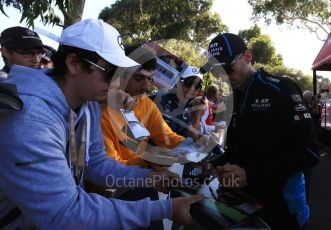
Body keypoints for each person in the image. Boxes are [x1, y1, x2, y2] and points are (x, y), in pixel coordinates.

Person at [0, 19, 202, 229]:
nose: (118, 82)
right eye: (110, 72)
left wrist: (149, 178)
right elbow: (66, 213)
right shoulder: (31, 119)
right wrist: (164, 209)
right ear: (74, 64)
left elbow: (96, 164)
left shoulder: (88, 104)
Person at [203, 33, 319, 229]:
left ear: (247, 57)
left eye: (227, 68)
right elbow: (238, 148)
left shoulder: (282, 89)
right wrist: (215, 163)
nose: (223, 77)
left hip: (284, 208)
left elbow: (309, 152)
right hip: (246, 203)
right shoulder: (235, 97)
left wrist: (251, 174)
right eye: (217, 72)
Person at [101, 45, 185, 167]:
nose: (146, 86)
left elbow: (168, 137)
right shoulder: (102, 109)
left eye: (150, 79)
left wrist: (195, 148)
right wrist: (147, 161)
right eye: (139, 78)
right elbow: (106, 169)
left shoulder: (146, 104)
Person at [153, 65, 204, 139]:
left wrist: (197, 116)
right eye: (188, 83)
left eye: (197, 86)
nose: (192, 89)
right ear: (178, 82)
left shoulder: (188, 112)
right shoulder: (159, 98)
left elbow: (190, 137)